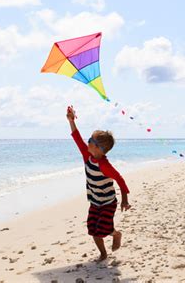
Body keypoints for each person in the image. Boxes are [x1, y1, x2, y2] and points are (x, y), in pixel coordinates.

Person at [66, 105, 131, 262]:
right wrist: (71, 120)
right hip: (95, 201)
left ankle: (116, 234)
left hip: (108, 202)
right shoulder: (87, 155)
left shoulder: (105, 166)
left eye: (89, 140)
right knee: (93, 230)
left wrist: (125, 200)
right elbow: (76, 138)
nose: (86, 142)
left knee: (103, 229)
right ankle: (103, 253)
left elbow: (120, 180)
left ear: (98, 148)